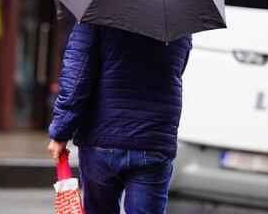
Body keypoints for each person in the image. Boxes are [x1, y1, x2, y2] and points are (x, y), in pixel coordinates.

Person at [47, 22, 192, 214]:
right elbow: (175, 70)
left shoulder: (96, 11)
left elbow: (77, 77)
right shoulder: (178, 19)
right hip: (154, 137)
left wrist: (60, 132)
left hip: (102, 136)